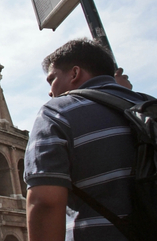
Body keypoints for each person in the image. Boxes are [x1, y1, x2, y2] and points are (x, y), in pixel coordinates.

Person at [24, 38, 143, 241]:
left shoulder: (57, 113)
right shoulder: (154, 107)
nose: (50, 91)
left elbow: (45, 202)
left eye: (52, 79)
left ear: (75, 73)